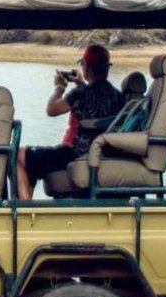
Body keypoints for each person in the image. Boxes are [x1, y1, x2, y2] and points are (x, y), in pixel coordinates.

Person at [16, 43, 125, 199]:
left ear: (86, 67)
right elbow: (94, 95)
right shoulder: (119, 96)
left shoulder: (80, 93)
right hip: (105, 153)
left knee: (19, 155)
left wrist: (59, 88)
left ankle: (25, 209)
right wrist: (81, 84)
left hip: (76, 153)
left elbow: (52, 110)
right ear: (107, 68)